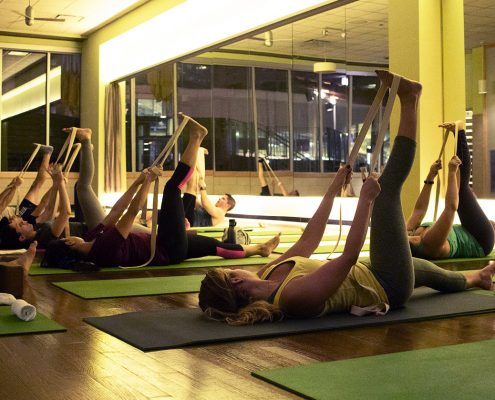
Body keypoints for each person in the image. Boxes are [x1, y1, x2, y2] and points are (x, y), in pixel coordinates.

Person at [198, 70, 495, 326]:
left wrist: (332, 188)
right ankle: (411, 99)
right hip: (386, 285)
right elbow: (347, 257)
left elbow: (308, 241)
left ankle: (477, 278)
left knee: (434, 275)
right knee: (387, 193)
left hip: (369, 270)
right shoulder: (291, 298)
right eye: (229, 269)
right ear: (235, 281)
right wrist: (366, 201)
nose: (235, 267)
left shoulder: (267, 272)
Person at [41, 118, 280, 270]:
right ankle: (196, 137)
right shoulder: (102, 250)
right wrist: (147, 181)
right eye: (66, 237)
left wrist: (137, 182)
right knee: (171, 188)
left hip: (169, 245)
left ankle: (259, 250)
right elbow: (131, 213)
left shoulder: (95, 237)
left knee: (213, 247)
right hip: (167, 246)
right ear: (70, 243)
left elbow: (116, 211)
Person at [407, 121, 495, 259]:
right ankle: (460, 133)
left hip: (467, 229)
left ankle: (459, 133)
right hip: (481, 240)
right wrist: (452, 172)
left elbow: (419, 209)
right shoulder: (430, 244)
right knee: (462, 190)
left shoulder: (409, 231)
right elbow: (451, 207)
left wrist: (430, 176)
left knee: (462, 191)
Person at [0, 145, 69, 250]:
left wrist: (57, 183)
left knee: (36, 187)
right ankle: (47, 153)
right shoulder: (40, 235)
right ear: (22, 237)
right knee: (37, 187)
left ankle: (47, 153)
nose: (24, 221)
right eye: (21, 224)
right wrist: (59, 183)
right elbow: (57, 211)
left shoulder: (35, 231)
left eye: (21, 223)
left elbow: (49, 209)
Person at [182, 151, 236, 226]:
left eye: (223, 199)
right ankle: (197, 153)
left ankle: (196, 152)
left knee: (192, 184)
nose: (219, 198)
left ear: (228, 205)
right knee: (193, 182)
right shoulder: (213, 210)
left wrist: (203, 187)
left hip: (190, 220)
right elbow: (198, 203)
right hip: (189, 217)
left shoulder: (220, 213)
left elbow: (205, 203)